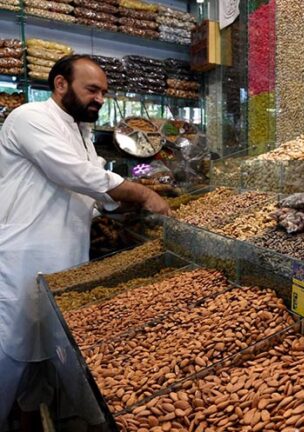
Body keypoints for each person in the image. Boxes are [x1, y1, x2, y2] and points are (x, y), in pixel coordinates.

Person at [0, 55, 170, 428]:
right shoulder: (30, 118)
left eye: (104, 92)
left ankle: (36, 415)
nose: (99, 99)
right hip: (23, 257)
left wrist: (115, 208)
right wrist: (141, 194)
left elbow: (90, 187)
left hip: (67, 260)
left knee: (50, 353)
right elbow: (73, 173)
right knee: (12, 353)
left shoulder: (82, 133)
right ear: (61, 84)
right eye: (92, 89)